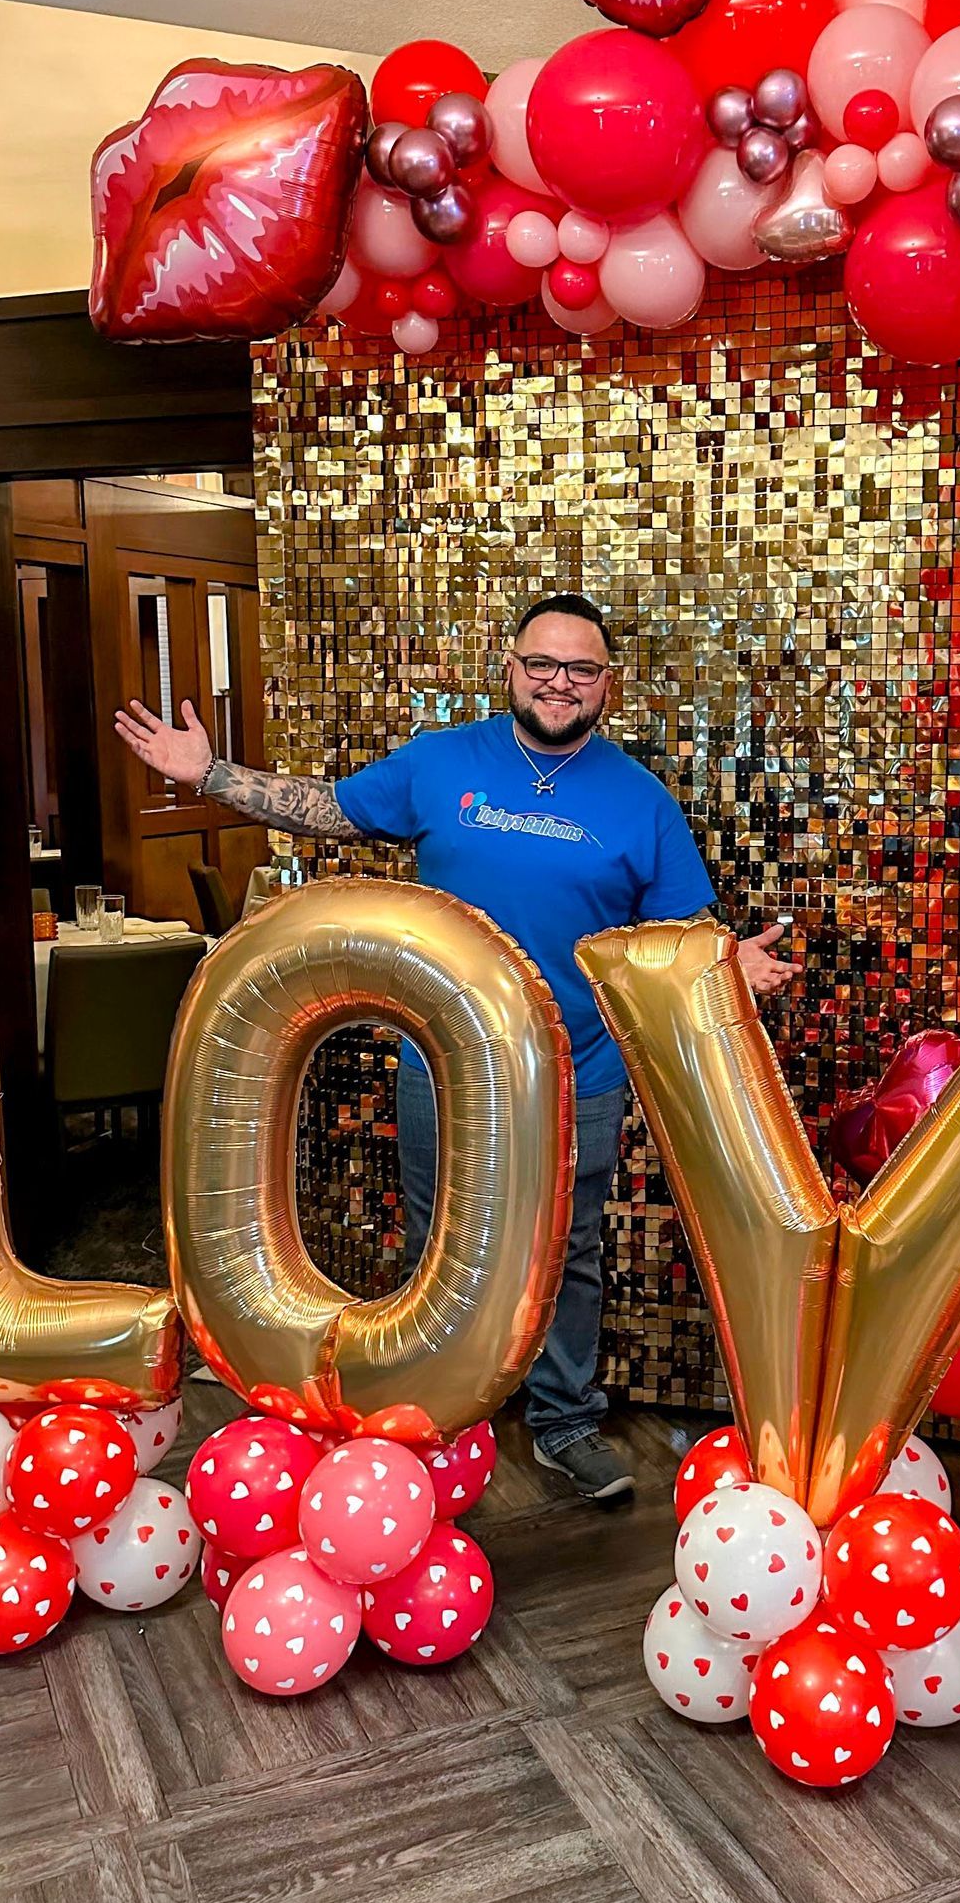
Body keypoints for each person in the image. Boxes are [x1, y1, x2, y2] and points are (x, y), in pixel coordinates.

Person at [114, 591, 795, 1507]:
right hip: (443, 1071)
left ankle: (562, 1425)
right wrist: (212, 775)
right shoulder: (441, 765)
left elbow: (680, 931)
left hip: (576, 1071)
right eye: (543, 664)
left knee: (570, 1249)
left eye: (581, 670)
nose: (561, 683)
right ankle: (427, 1421)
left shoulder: (640, 802)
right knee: (436, 1244)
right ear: (509, 668)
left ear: (610, 688)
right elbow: (328, 811)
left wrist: (728, 959)